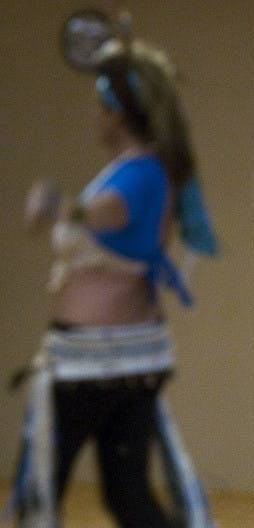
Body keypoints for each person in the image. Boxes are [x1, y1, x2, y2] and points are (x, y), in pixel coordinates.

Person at [6, 40, 217, 527]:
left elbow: (109, 214)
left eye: (99, 108)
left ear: (115, 115)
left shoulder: (141, 176)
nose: (93, 118)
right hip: (124, 361)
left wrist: (56, 207)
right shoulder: (141, 169)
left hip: (93, 366)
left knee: (41, 492)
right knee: (126, 497)